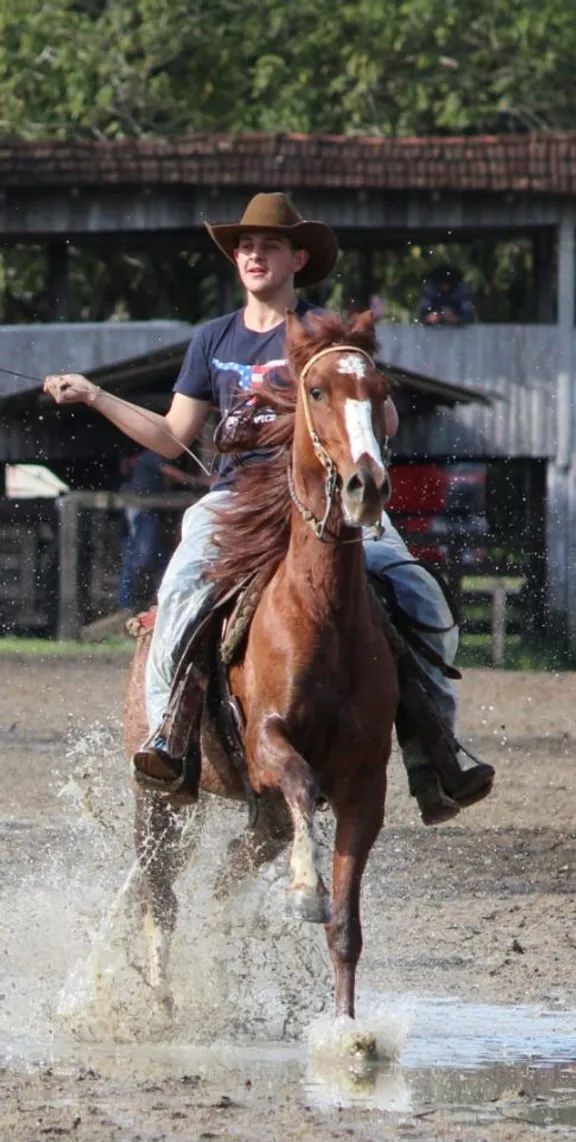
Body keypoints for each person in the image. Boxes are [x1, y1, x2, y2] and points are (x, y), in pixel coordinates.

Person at [44, 192, 493, 825]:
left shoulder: (325, 333)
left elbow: (381, 418)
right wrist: (95, 396)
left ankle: (438, 752)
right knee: (179, 589)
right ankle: (168, 733)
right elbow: (175, 433)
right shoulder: (213, 339)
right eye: (245, 246)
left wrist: (362, 385)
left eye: (269, 245)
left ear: (297, 257)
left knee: (418, 593)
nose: (254, 255)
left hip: (329, 502)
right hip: (236, 501)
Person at [117, 448, 198, 610]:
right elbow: (174, 474)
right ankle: (131, 603)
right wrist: (201, 481)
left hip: (146, 510)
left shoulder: (145, 457)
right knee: (142, 558)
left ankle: (133, 601)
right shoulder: (152, 455)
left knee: (142, 556)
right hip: (144, 510)